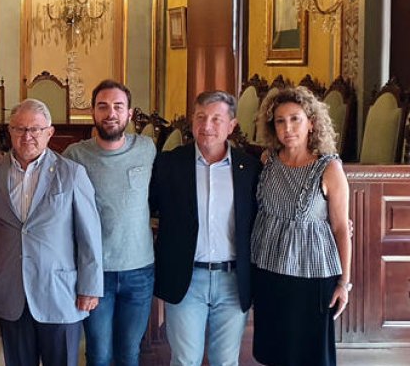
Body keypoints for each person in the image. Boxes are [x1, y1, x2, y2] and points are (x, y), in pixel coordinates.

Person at [0, 99, 102, 366]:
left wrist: (91, 287)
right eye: (20, 129)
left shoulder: (71, 174)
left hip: (60, 293)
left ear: (50, 132)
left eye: (36, 129)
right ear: (9, 132)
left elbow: (89, 236)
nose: (28, 136)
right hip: (13, 293)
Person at [151, 90, 260, 366]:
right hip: (187, 279)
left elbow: (267, 216)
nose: (207, 126)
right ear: (192, 120)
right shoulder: (169, 164)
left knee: (225, 361)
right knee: (185, 359)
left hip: (233, 281)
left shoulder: (250, 169)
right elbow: (146, 209)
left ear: (232, 125)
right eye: (200, 117)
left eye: (216, 119)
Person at [250, 86, 351, 366]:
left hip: (312, 276)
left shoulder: (329, 168)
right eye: (280, 121)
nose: (288, 128)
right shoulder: (268, 161)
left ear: (311, 124)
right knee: (275, 352)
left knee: (309, 355)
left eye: (295, 119)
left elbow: (342, 228)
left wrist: (344, 283)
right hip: (269, 269)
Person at [63, 79, 155, 366]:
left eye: (118, 106)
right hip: (95, 274)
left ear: (129, 114)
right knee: (99, 354)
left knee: (130, 354)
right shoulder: (75, 155)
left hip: (139, 271)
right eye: (103, 106)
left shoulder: (148, 149)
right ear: (92, 112)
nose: (110, 113)